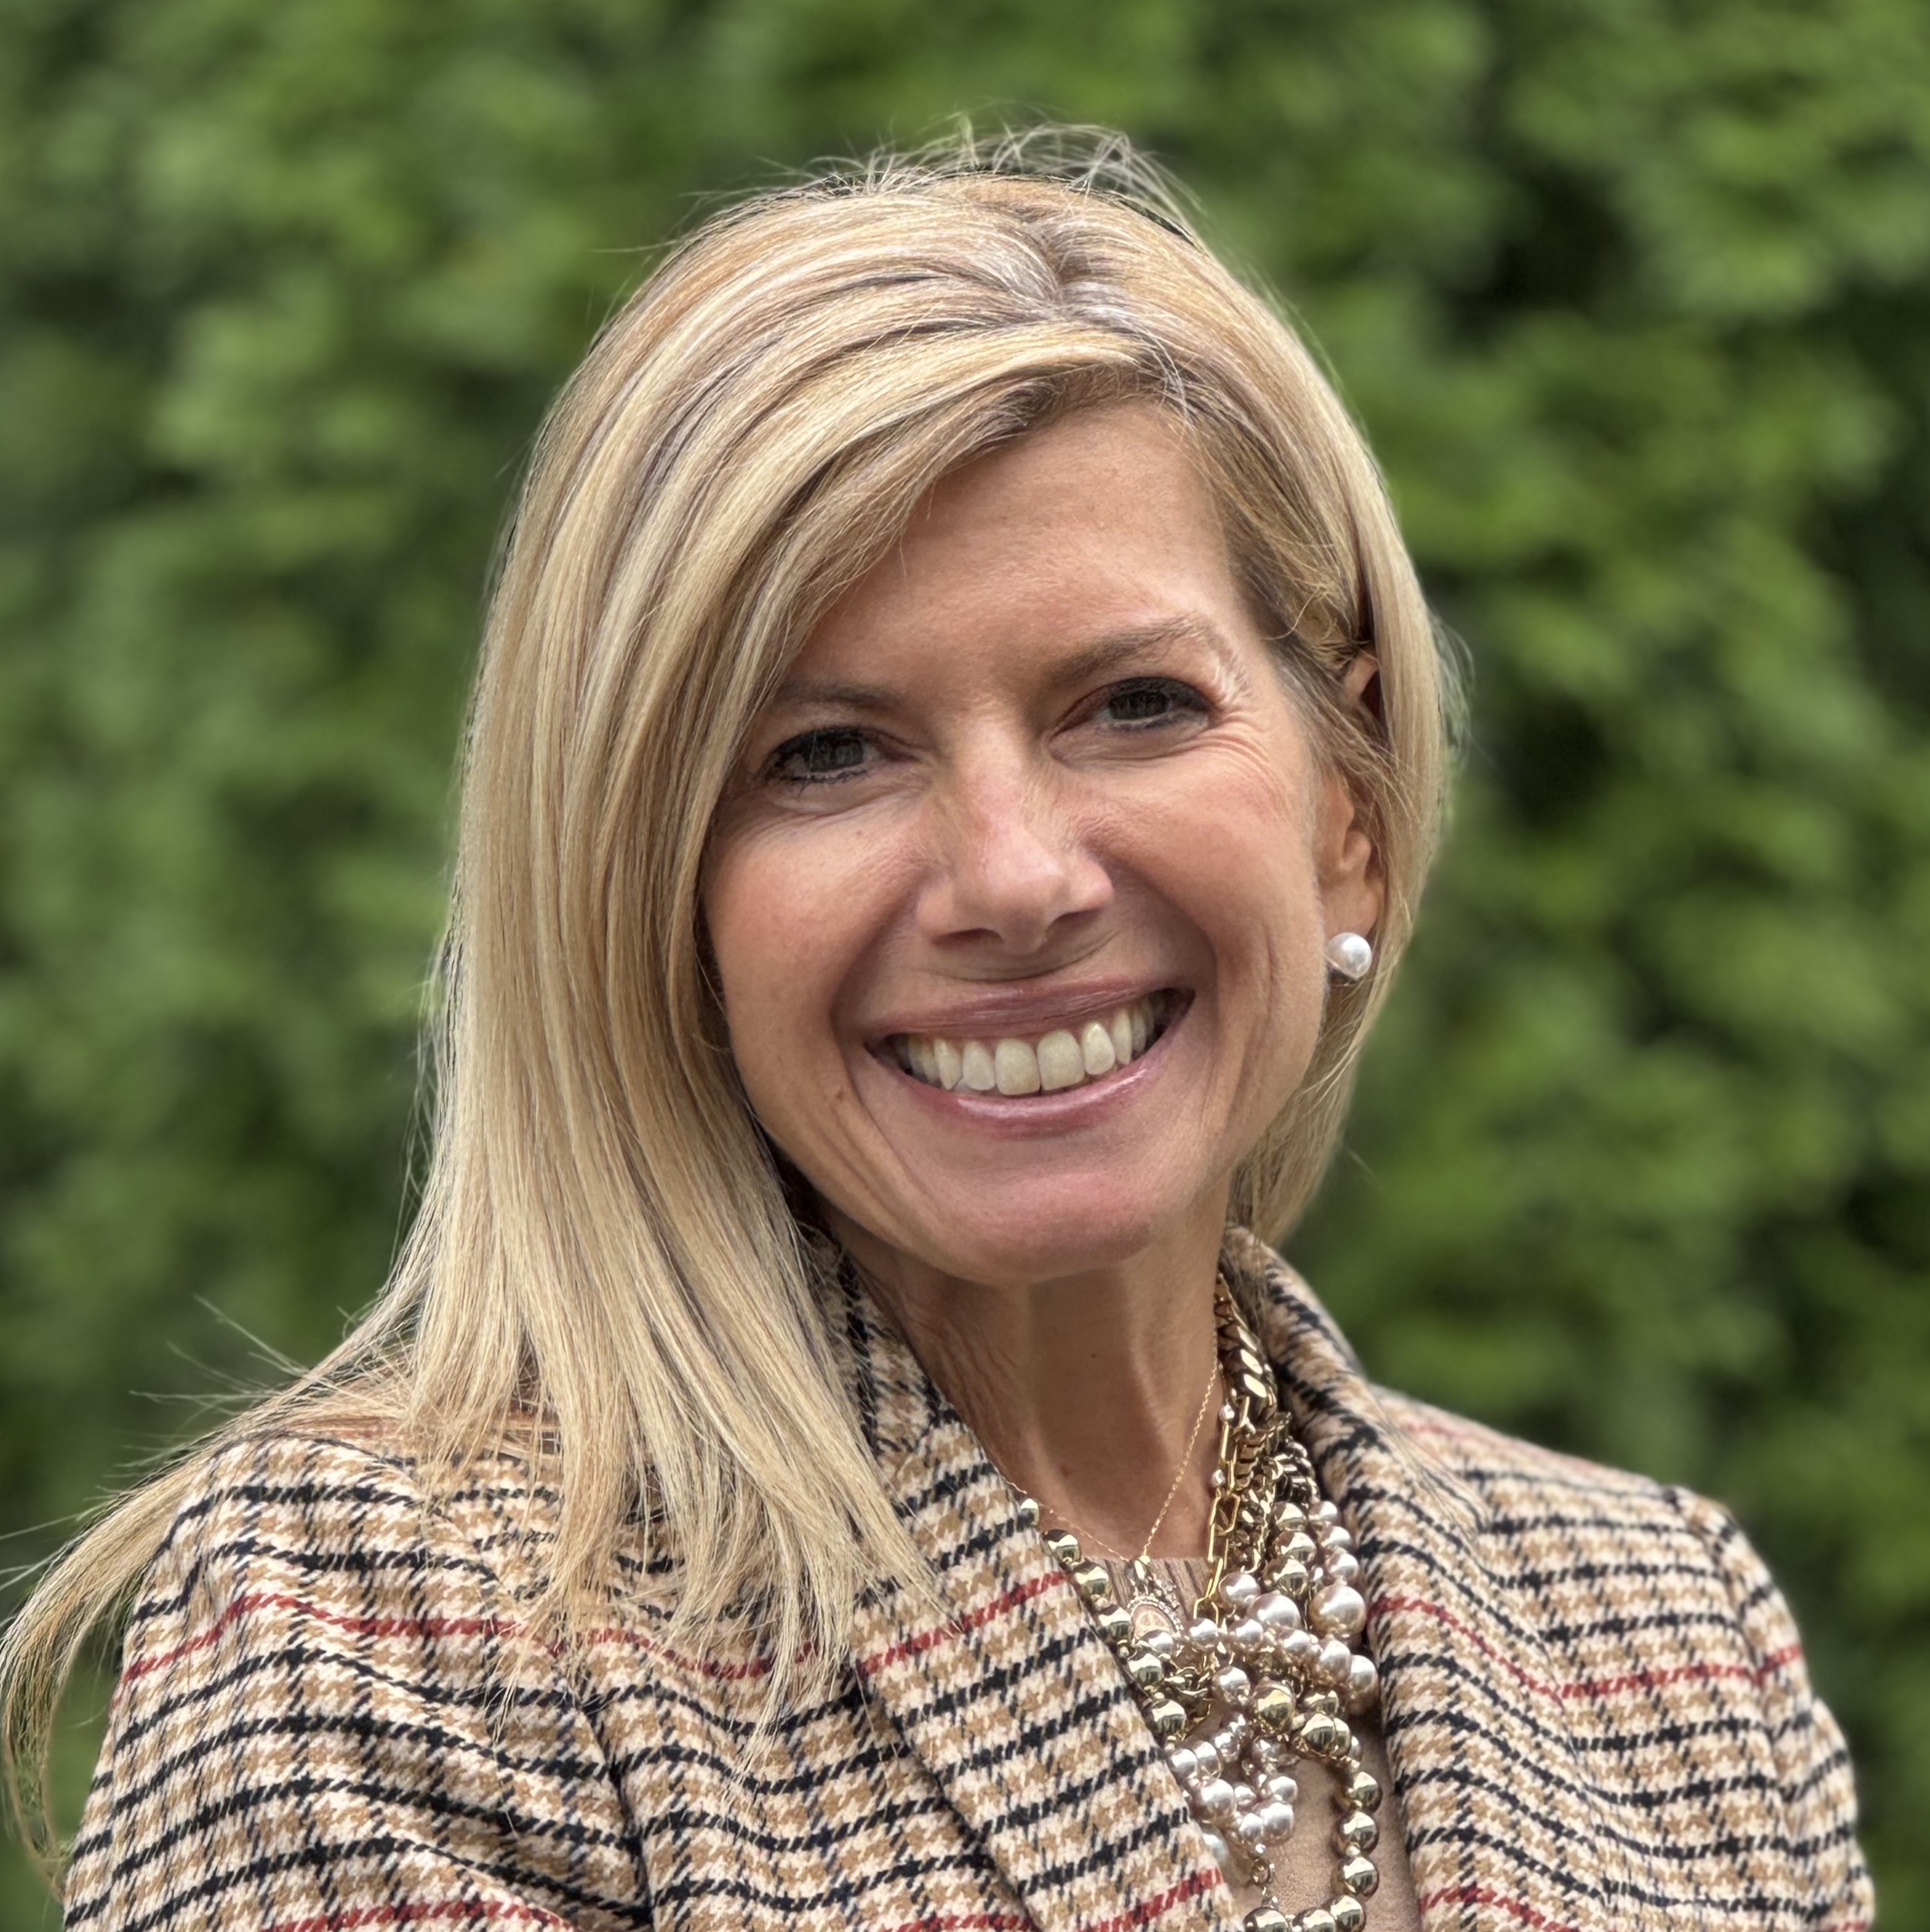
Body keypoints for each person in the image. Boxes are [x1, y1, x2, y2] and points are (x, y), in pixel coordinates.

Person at [2, 134, 1871, 1932]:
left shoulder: (1670, 1627)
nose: (1015, 875)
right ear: (651, 898)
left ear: (1347, 807)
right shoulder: (379, 1637)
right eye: (828, 755)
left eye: (1134, 704)